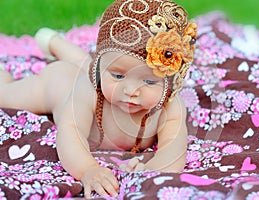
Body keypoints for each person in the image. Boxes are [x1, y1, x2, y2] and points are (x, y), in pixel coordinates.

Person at [0, 0, 197, 198]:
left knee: (83, 63)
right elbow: (70, 132)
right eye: (118, 76)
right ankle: (52, 45)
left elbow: (174, 151)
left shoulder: (170, 106)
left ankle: (55, 42)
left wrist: (152, 170)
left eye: (149, 81)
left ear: (171, 82)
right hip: (60, 85)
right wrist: (87, 169)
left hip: (94, 68)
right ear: (100, 67)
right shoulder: (88, 92)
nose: (131, 90)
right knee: (6, 95)